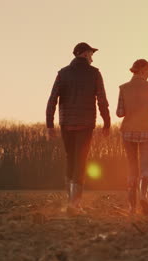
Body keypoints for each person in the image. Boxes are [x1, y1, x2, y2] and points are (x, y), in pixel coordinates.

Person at [46, 42, 111, 215]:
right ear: (84, 53)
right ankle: (75, 205)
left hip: (66, 123)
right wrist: (107, 122)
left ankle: (70, 201)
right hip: (85, 123)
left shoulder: (63, 73)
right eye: (91, 53)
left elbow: (52, 99)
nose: (92, 57)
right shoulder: (94, 73)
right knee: (80, 161)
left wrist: (49, 125)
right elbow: (102, 100)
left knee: (70, 158)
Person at [116, 59, 148, 215]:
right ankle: (143, 195)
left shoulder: (123, 88)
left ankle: (131, 207)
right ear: (143, 70)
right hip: (147, 131)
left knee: (132, 169)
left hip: (128, 131)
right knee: (145, 168)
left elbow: (119, 113)